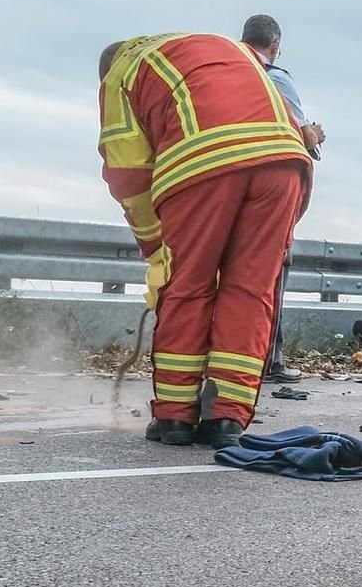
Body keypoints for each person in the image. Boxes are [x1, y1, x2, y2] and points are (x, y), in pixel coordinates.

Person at [97, 34, 312, 448]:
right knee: (251, 290)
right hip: (286, 164)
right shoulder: (219, 48)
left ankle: (176, 418)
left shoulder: (122, 73)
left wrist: (156, 248)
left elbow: (127, 171)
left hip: (204, 163)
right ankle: (226, 419)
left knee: (188, 285)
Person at [240, 14, 321, 385]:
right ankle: (269, 359)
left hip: (222, 186)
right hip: (270, 194)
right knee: (271, 275)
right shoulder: (276, 78)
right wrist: (317, 133)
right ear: (275, 45)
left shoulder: (227, 75)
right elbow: (299, 136)